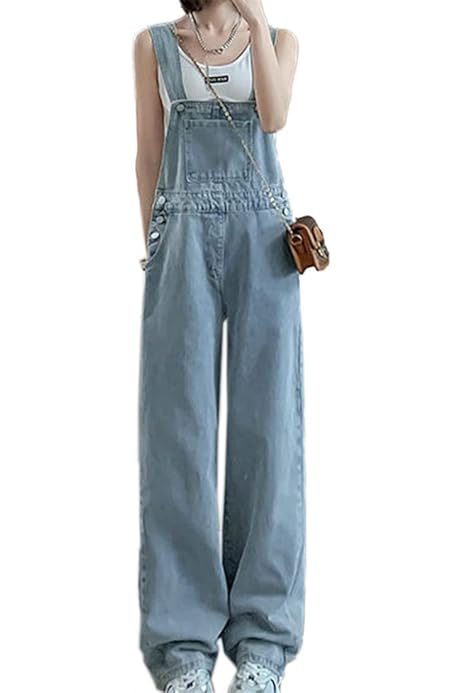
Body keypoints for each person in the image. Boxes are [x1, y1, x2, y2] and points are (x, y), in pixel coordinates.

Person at [133, 1, 305, 691]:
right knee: (177, 434)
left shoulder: (282, 39)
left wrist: (256, 21)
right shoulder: (152, 45)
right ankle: (183, 647)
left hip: (264, 243)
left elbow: (274, 115)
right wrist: (154, 246)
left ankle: (262, 642)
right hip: (177, 241)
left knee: (269, 432)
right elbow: (148, 154)